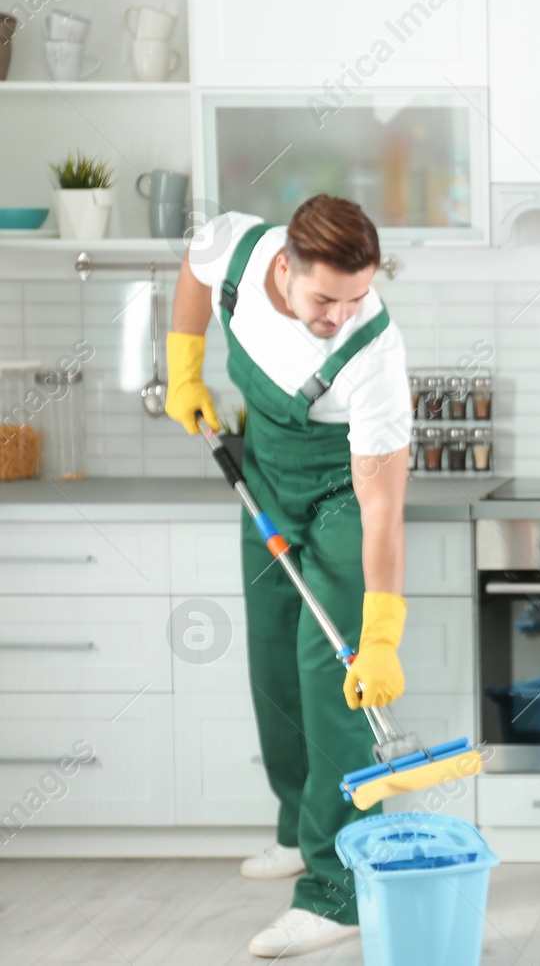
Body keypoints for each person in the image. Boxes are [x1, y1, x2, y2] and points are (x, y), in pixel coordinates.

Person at [164, 195, 413, 958]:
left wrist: (380, 634)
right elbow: (193, 276)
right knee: (271, 653)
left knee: (328, 671)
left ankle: (338, 890)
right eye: (324, 299)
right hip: (266, 477)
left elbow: (381, 509)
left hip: (341, 499)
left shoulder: (373, 352)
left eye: (357, 295)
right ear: (283, 267)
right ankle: (296, 829)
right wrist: (181, 366)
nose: (342, 313)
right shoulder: (236, 248)